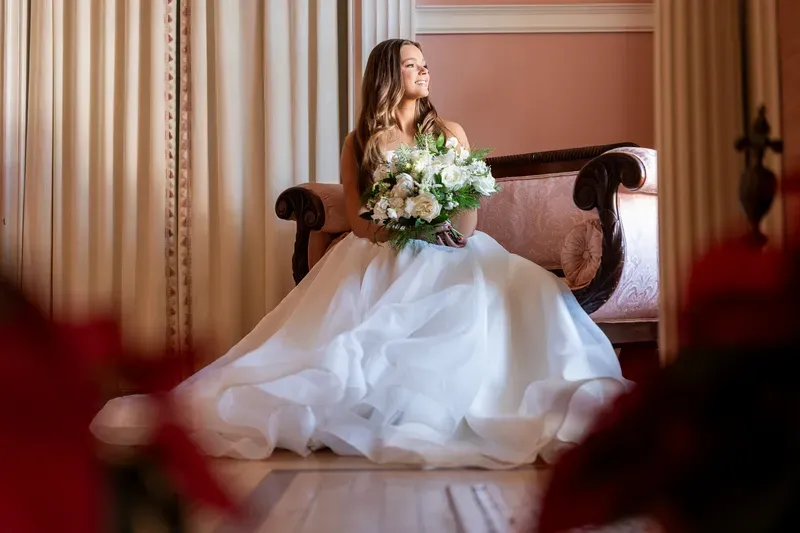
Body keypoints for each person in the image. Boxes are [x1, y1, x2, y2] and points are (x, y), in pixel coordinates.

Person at [91, 39, 629, 468]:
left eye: (425, 64)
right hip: (383, 248)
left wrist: (437, 216)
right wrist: (404, 220)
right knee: (356, 328)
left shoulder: (449, 133)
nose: (424, 72)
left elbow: (469, 221)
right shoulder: (360, 142)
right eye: (413, 65)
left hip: (452, 247)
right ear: (389, 75)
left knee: (525, 289)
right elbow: (358, 219)